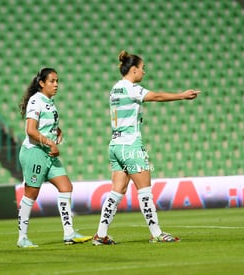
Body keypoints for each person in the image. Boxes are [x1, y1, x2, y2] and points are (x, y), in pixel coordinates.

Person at [93, 50, 200, 245]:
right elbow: (157, 96)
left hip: (116, 145)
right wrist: (182, 96)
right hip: (131, 145)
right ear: (133, 70)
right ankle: (157, 233)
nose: (144, 72)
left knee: (117, 191)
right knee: (144, 190)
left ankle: (101, 234)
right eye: (142, 69)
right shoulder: (130, 87)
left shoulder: (115, 88)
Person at [17, 68, 92, 248]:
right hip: (35, 152)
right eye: (52, 81)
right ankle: (22, 238)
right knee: (31, 193)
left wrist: (57, 131)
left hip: (47, 153)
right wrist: (51, 143)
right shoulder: (36, 100)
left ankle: (69, 233)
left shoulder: (49, 101)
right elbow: (30, 130)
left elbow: (46, 124)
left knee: (66, 187)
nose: (56, 84)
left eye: (57, 81)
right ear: (42, 83)